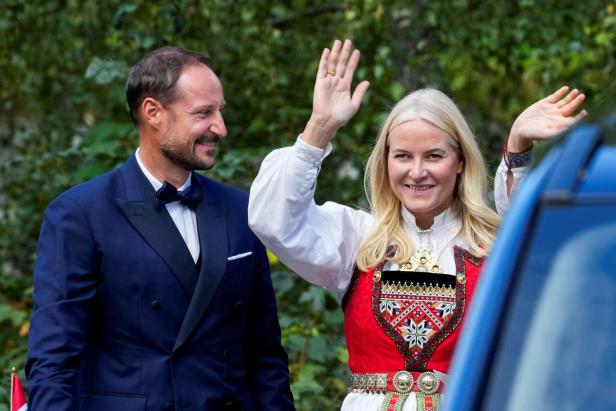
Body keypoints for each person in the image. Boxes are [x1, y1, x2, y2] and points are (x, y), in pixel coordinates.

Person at [248, 39, 585, 411]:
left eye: (435, 156)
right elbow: (274, 220)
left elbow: (541, 238)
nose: (417, 172)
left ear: (460, 162)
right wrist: (320, 127)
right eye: (403, 156)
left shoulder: (493, 245)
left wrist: (518, 147)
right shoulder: (360, 238)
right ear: (385, 162)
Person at [25, 46, 295, 411]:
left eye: (220, 111)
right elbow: (53, 362)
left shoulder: (239, 208)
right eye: (203, 113)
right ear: (153, 112)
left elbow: (265, 354)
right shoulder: (79, 214)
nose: (220, 127)